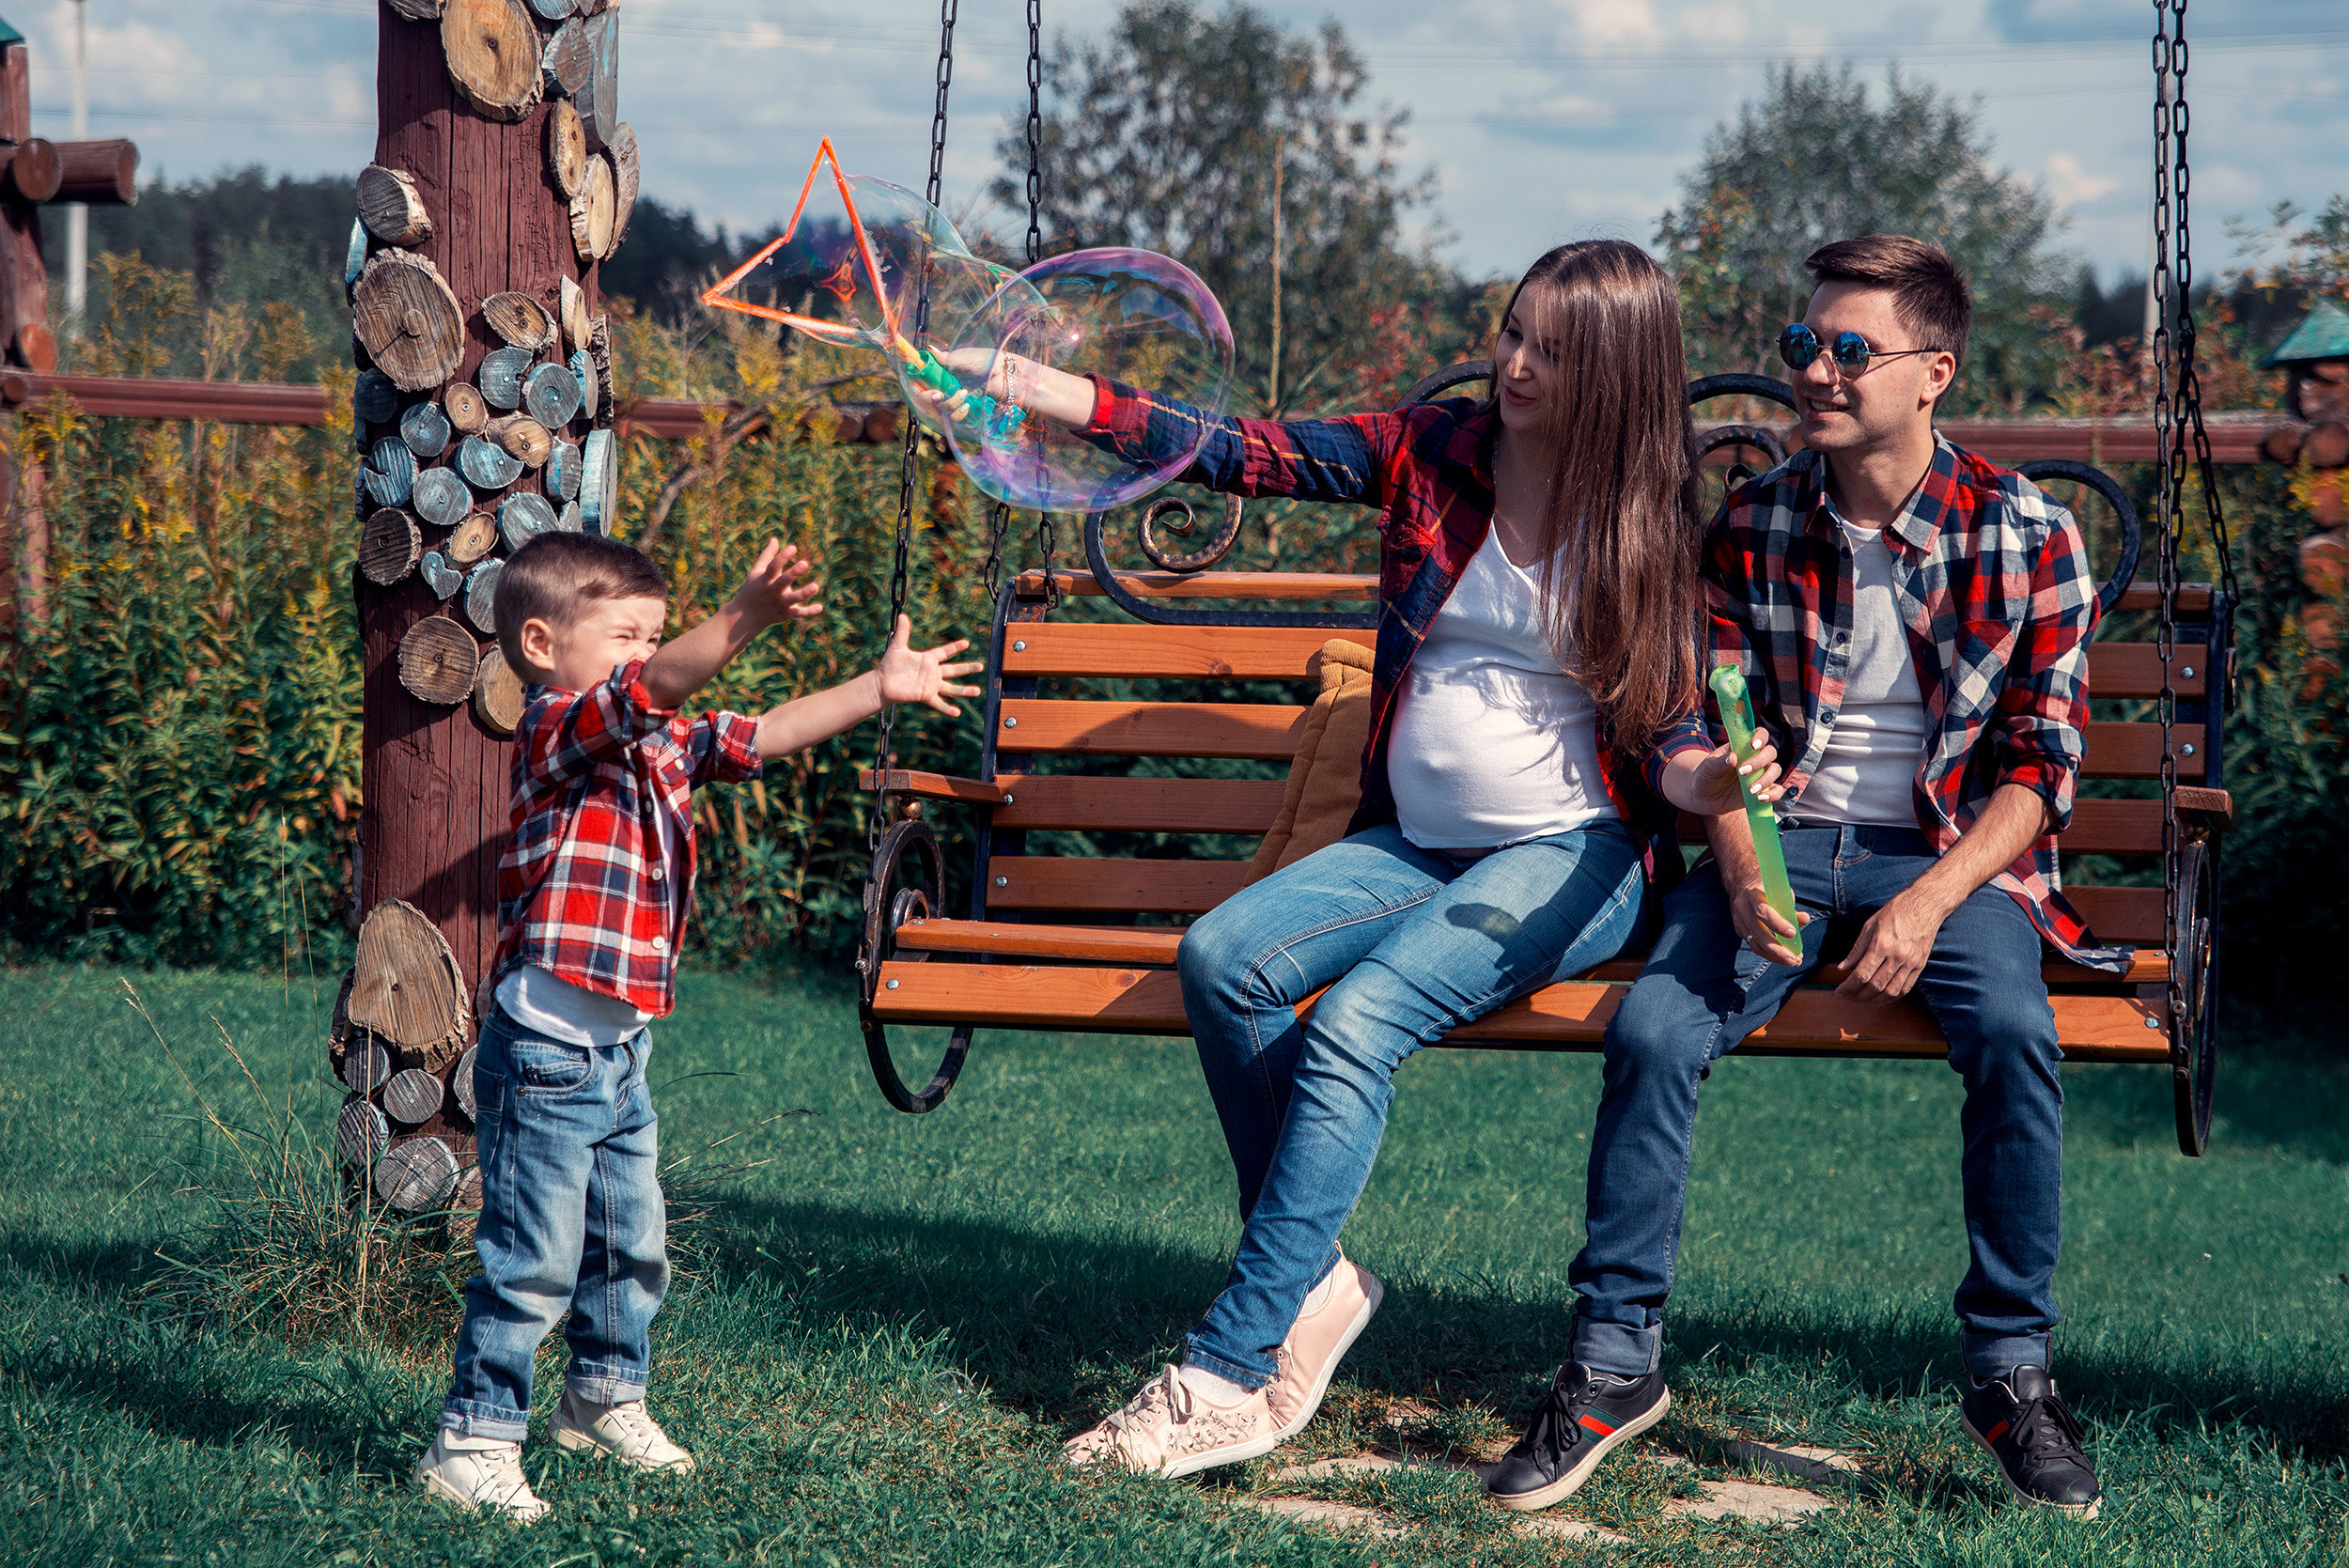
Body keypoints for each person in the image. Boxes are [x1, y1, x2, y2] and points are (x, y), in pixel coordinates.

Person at [949, 239, 1785, 1479]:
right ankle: (1316, 1277)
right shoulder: (1432, 450)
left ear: (1610, 370)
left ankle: (1228, 1368)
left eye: (1546, 350)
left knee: (1356, 1021)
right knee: (1224, 956)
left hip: (1573, 858)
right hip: (1412, 846)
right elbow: (1241, 449)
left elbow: (1667, 727)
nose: (1510, 362)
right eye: (1510, 331)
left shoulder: (1647, 522)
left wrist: (1702, 782)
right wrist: (1048, 391)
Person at [1500, 235, 2117, 1519]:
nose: (1816, 372)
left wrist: (1932, 897)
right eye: (1803, 346)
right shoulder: (1757, 520)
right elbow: (1698, 724)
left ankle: (2011, 1374)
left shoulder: (2028, 532)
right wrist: (1741, 868)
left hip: (1941, 862)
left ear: (1932, 373)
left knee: (2013, 1027)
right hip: (1782, 850)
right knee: (1659, 1029)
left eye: (1851, 351)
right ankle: (1614, 1365)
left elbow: (2041, 766)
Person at [415, 531, 982, 1521]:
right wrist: (743, 616)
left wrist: (875, 688)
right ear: (542, 642)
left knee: (632, 1244)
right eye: (625, 636)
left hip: (619, 1049)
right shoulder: (554, 727)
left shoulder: (657, 739)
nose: (646, 654)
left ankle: (601, 1399)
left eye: (654, 634)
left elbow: (755, 735)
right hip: (546, 1050)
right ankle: (471, 1439)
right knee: (530, 1259)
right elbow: (652, 690)